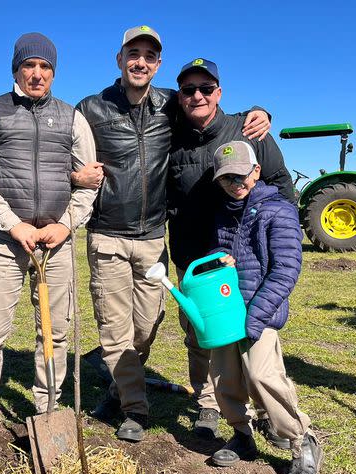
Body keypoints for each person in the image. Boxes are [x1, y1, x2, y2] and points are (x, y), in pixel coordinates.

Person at [75, 26, 270, 442]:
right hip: (107, 234)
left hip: (152, 239)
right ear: (119, 58)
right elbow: (61, 149)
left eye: (149, 55)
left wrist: (260, 110)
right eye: (133, 52)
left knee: (146, 329)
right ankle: (134, 408)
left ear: (158, 64)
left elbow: (214, 112)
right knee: (115, 331)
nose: (140, 61)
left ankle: (122, 384)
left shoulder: (171, 104)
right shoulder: (91, 108)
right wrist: (75, 174)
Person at [0, 32, 100, 457]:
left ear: (54, 72)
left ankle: (48, 408)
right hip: (5, 241)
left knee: (54, 334)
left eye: (45, 67)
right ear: (16, 68)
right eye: (29, 65)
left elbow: (89, 180)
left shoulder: (71, 117)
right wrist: (12, 224)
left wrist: (67, 224)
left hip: (56, 243)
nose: (37, 73)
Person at [167, 58, 296, 443]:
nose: (197, 96)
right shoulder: (170, 133)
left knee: (252, 338)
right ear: (180, 96)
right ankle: (208, 404)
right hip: (196, 257)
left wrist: (271, 240)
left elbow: (281, 186)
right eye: (188, 90)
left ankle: (265, 415)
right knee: (200, 333)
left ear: (219, 93)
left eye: (206, 88)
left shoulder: (247, 129)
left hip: (246, 260)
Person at [204, 140, 322, 474]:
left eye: (241, 176)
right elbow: (222, 255)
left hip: (260, 313)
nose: (235, 184)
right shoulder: (224, 211)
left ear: (256, 171)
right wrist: (217, 260)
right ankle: (242, 435)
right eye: (227, 179)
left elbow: (285, 270)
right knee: (225, 378)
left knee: (262, 377)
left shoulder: (279, 211)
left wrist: (256, 317)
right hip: (227, 313)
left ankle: (303, 443)